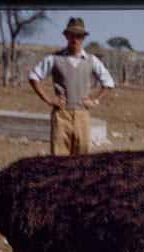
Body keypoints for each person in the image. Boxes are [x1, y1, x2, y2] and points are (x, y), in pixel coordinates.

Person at [28, 17, 115, 155]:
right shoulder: (54, 59)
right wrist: (49, 99)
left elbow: (108, 83)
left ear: (84, 38)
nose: (75, 39)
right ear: (66, 36)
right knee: (58, 161)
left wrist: (95, 101)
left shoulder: (91, 60)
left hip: (82, 116)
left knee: (82, 162)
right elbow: (34, 77)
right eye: (72, 35)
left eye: (79, 36)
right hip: (61, 116)